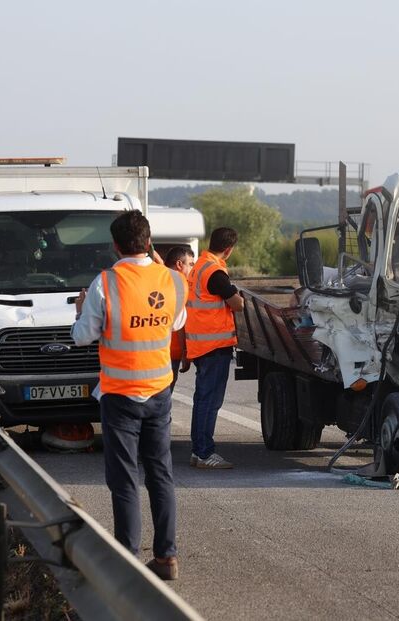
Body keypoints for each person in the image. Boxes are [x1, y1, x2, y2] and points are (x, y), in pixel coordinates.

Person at [71, 211, 187, 581]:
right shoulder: (173, 280)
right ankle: (166, 557)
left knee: (124, 479)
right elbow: (177, 322)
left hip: (120, 394)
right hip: (159, 391)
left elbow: (82, 336)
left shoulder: (105, 283)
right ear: (149, 243)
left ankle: (128, 560)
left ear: (115, 246)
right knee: (160, 474)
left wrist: (80, 311)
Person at [185, 228, 244, 469]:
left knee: (203, 399)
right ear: (228, 250)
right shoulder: (215, 272)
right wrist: (239, 297)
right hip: (214, 346)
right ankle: (204, 452)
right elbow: (237, 304)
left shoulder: (200, 265)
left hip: (201, 345)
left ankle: (198, 451)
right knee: (209, 401)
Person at [165, 246, 195, 390]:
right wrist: (185, 351)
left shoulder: (157, 279)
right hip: (171, 350)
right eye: (190, 264)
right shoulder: (180, 283)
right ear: (179, 264)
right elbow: (179, 323)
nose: (192, 269)